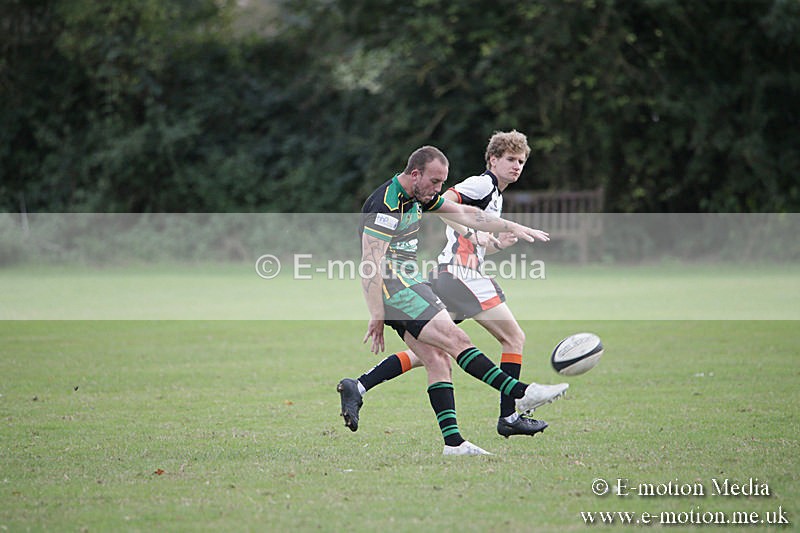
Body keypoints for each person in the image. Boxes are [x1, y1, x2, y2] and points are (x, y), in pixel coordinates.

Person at [338, 144, 568, 456]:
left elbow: (465, 213)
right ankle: (520, 393)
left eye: (442, 183)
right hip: (396, 286)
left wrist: (510, 225)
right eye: (435, 182)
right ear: (416, 174)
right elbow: (370, 263)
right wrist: (376, 315)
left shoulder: (419, 195)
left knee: (437, 358)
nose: (439, 190)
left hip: (408, 282)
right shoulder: (386, 204)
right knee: (455, 337)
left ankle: (454, 444)